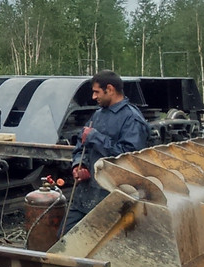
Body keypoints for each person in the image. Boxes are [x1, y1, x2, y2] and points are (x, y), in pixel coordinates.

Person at [61, 70, 150, 235]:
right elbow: (82, 144)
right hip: (85, 196)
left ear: (109, 89)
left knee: (99, 245)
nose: (94, 97)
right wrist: (80, 165)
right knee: (64, 238)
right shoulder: (98, 114)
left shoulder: (132, 118)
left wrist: (95, 137)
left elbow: (128, 157)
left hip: (112, 198)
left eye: (96, 92)